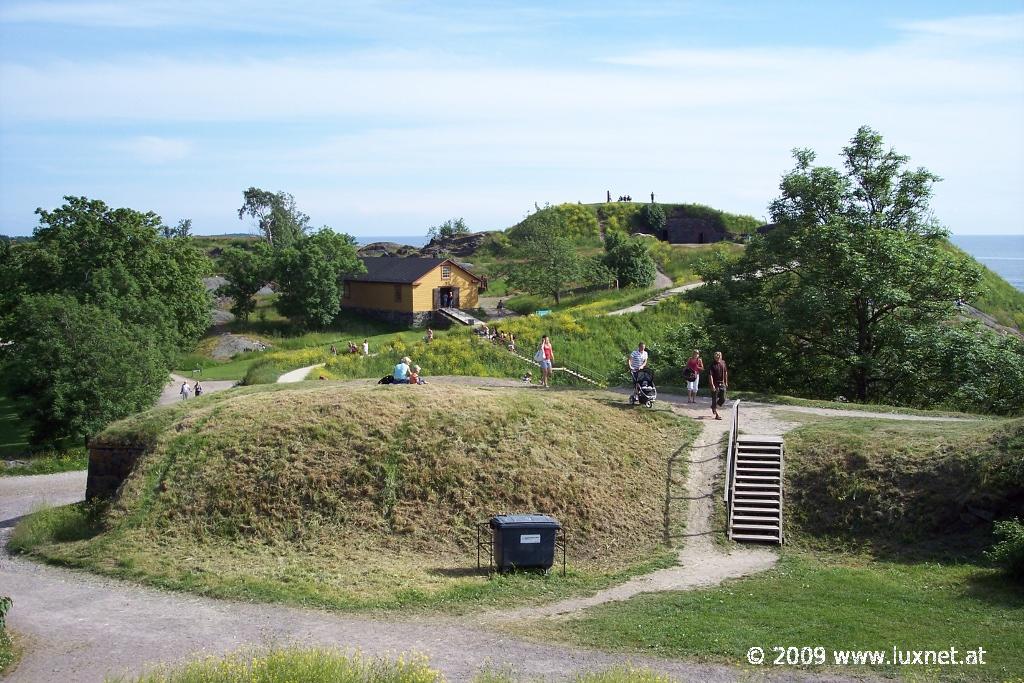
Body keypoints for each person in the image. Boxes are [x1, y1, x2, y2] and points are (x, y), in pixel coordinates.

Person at [708, 351, 728, 420]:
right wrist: (712, 385)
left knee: (723, 399)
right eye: (716, 356)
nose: (717, 357)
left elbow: (725, 372)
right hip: (715, 384)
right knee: (714, 398)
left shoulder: (723, 363)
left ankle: (714, 406)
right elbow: (710, 375)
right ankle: (716, 414)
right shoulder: (712, 365)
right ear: (714, 357)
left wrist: (726, 381)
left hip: (722, 383)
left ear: (721, 356)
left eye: (719, 356)